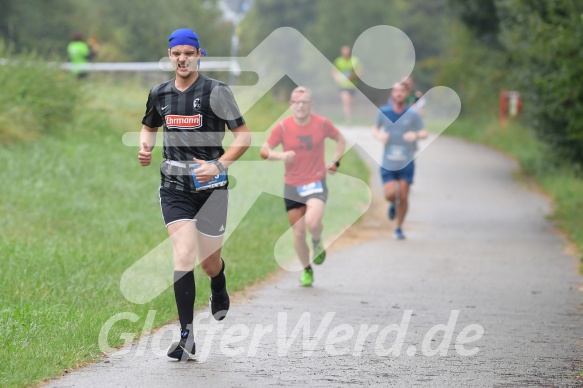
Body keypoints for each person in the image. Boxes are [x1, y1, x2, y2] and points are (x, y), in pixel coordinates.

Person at [137, 28, 251, 360]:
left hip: (211, 190)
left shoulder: (217, 92)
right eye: (176, 54)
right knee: (184, 255)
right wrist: (146, 148)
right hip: (174, 188)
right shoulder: (159, 93)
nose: (182, 59)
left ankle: (219, 283)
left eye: (189, 53)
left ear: (200, 54)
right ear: (169, 55)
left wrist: (220, 164)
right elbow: (149, 126)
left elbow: (243, 136)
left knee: (208, 262)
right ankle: (186, 336)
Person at [260, 87, 345, 287]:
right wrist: (281, 155)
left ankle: (316, 241)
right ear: (291, 105)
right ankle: (307, 269)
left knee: (313, 223)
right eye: (296, 102)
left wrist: (335, 162)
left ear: (310, 105)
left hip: (316, 182)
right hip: (292, 186)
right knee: (298, 233)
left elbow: (340, 139)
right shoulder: (282, 127)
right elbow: (264, 150)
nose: (300, 105)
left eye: (304, 102)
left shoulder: (322, 124)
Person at [372, 82, 427, 240]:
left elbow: (424, 132)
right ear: (392, 94)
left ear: (406, 94)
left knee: (403, 195)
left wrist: (415, 135)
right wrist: (379, 136)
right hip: (388, 161)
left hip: (406, 161)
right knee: (390, 194)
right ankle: (393, 204)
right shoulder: (384, 112)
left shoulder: (413, 114)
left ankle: (398, 227)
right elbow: (375, 129)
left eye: (402, 91)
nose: (398, 93)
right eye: (396, 91)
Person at [332, 45, 363, 124]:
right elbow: (334, 71)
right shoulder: (338, 61)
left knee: (351, 103)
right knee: (345, 101)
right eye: (344, 52)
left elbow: (360, 72)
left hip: (353, 85)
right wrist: (336, 78)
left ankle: (352, 117)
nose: (345, 54)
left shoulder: (355, 60)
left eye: (347, 52)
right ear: (341, 53)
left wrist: (352, 76)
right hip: (343, 86)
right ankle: (348, 120)